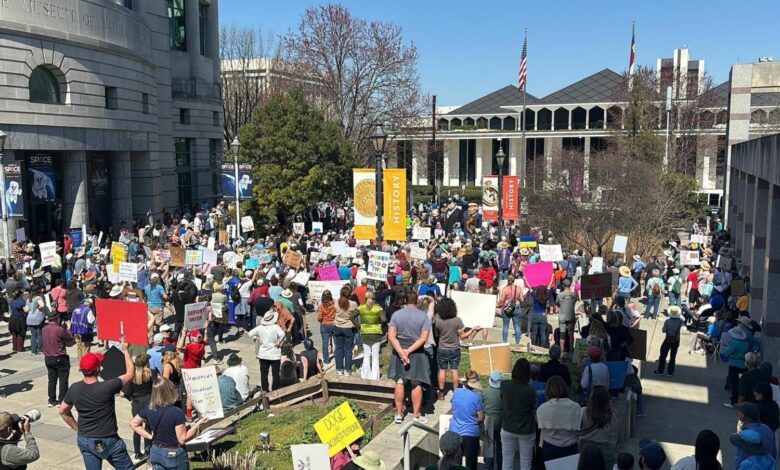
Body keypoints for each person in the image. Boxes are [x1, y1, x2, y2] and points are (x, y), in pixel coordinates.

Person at [59, 341, 136, 469]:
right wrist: (126, 350)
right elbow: (130, 373)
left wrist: (77, 429)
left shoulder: (74, 388)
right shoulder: (108, 386)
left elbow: (63, 411)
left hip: (85, 439)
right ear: (98, 369)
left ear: (81, 370)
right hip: (109, 439)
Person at [130, 378, 208, 469]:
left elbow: (133, 424)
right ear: (169, 392)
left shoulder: (149, 408)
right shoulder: (177, 412)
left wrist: (149, 436)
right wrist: (197, 424)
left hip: (156, 450)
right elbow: (182, 439)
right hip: (174, 454)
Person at [388, 289, 431, 424]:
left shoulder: (396, 315)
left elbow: (391, 336)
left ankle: (399, 414)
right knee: (416, 383)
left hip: (398, 352)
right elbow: (423, 339)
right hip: (417, 353)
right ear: (417, 301)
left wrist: (402, 352)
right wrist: (409, 351)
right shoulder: (423, 316)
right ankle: (416, 415)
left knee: (400, 382)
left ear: (406, 300)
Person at [434, 297, 475, 400]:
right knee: (454, 370)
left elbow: (436, 334)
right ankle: (456, 393)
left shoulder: (438, 321)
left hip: (442, 348)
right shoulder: (457, 320)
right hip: (455, 348)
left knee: (442, 370)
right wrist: (473, 330)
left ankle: (441, 393)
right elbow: (463, 336)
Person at [500, 359, 536, 470]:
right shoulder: (529, 390)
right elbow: (532, 406)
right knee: (526, 463)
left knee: (507, 462)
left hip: (507, 427)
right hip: (526, 429)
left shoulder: (504, 386)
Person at [536, 376, 581, 462]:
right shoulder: (576, 407)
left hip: (549, 446)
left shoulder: (542, 408)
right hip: (571, 446)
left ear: (548, 390)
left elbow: (539, 423)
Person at [122, 354, 156, 461]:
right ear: (147, 363)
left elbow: (127, 392)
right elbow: (157, 386)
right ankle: (148, 450)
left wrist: (130, 397)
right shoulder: (152, 373)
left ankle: (137, 453)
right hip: (148, 402)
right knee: (148, 427)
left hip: (136, 403)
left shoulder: (132, 376)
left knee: (137, 427)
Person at [449, 370, 484, 469]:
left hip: (455, 432)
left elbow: (454, 408)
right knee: (471, 464)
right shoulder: (477, 397)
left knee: (455, 464)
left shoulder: (456, 392)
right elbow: (481, 417)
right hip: (471, 434)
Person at [579, 386, 620, 469]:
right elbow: (614, 431)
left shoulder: (583, 412)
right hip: (606, 451)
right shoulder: (612, 414)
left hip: (585, 449)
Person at [42, 308, 74, 407]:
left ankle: (51, 400)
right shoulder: (59, 329)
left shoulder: (44, 329)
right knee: (63, 379)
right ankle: (62, 400)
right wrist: (68, 328)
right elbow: (69, 338)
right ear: (57, 318)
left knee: (52, 379)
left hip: (48, 357)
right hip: (59, 356)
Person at [248, 310, 286, 392]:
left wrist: (257, 338)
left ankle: (265, 390)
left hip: (263, 354)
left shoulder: (260, 327)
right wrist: (279, 341)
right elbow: (283, 334)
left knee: (264, 374)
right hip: (274, 354)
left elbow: (250, 333)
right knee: (275, 374)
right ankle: (275, 390)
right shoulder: (276, 327)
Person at [733, 402, 776, 467]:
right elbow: (774, 452)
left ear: (742, 416)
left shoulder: (747, 435)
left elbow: (742, 456)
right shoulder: (767, 429)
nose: (737, 414)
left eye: (739, 412)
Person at [357, 290, 387, 380]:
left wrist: (359, 326)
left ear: (365, 298)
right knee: (375, 356)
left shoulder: (361, 307)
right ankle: (375, 377)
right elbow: (384, 319)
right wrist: (379, 324)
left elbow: (351, 317)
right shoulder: (378, 308)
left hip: (365, 333)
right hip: (376, 334)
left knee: (366, 355)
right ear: (374, 298)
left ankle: (365, 375)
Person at [723, 325, 750, 408]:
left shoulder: (734, 343)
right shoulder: (746, 343)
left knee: (734, 383)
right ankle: (742, 400)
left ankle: (734, 401)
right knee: (742, 383)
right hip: (743, 364)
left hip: (734, 364)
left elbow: (726, 353)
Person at [333, 286, 358, 376]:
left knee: (339, 349)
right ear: (350, 294)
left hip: (338, 327)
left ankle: (339, 369)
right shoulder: (353, 304)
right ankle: (348, 370)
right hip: (348, 327)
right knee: (348, 350)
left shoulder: (335, 302)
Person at [482, 371, 503, 470]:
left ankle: (488, 467)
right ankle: (500, 466)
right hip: (502, 422)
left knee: (488, 447)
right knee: (501, 448)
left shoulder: (485, 392)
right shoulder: (504, 392)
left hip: (488, 421)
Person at [655, 306, 683, 376]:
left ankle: (660, 371)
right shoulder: (680, 321)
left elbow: (663, 330)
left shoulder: (667, 321)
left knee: (663, 355)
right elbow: (683, 319)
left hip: (668, 340)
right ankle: (670, 372)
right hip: (676, 340)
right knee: (673, 356)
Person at [497, 274, 524, 344]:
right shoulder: (519, 288)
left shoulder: (505, 289)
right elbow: (522, 300)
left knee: (505, 326)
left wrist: (499, 291)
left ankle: (505, 342)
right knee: (517, 326)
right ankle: (517, 343)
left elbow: (501, 300)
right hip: (517, 307)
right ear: (514, 280)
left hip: (507, 307)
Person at [556, 279, 577, 353]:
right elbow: (574, 302)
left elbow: (557, 304)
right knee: (571, 334)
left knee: (562, 334)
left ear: (563, 285)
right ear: (570, 285)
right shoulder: (574, 294)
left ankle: (562, 351)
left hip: (562, 315)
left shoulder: (560, 295)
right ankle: (571, 349)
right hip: (571, 315)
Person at [317, 290, 337, 364]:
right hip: (334, 324)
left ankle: (326, 359)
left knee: (325, 343)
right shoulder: (334, 304)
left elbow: (319, 317)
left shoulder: (322, 306)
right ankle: (337, 357)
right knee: (336, 342)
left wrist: (322, 321)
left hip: (324, 324)